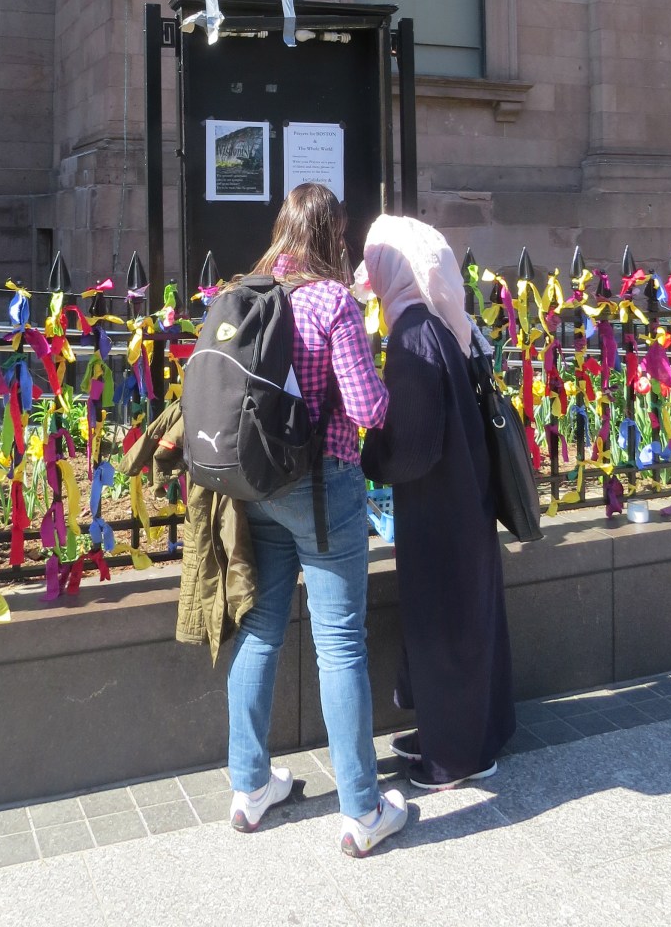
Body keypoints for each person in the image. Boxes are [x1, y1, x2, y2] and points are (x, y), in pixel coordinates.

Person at [226, 183, 408, 857]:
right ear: (335, 236)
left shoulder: (245, 291)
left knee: (261, 629)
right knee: (339, 645)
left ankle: (249, 788)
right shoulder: (331, 301)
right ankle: (362, 810)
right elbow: (363, 408)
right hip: (322, 488)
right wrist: (392, 383)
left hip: (257, 486)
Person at [359, 213, 516, 790]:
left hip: (437, 511)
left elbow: (413, 447)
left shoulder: (410, 336)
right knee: (469, 618)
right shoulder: (439, 326)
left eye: (377, 261)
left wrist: (368, 457)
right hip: (461, 497)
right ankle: (478, 734)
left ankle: (454, 757)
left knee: (444, 624)